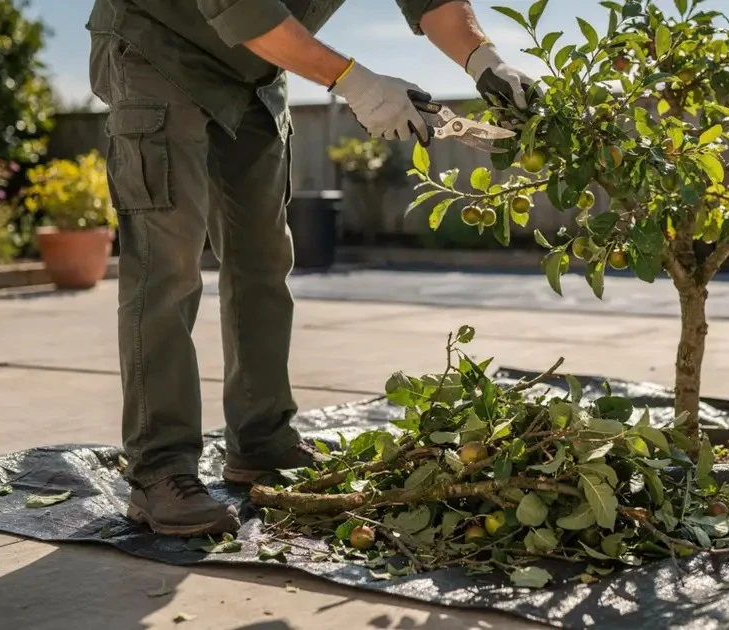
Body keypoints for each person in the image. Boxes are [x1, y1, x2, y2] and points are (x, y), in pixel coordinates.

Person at [85, 0, 536, 536]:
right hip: (158, 45)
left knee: (263, 260)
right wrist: (355, 81)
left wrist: (485, 60)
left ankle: (261, 442)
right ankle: (159, 469)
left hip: (254, 72)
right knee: (169, 264)